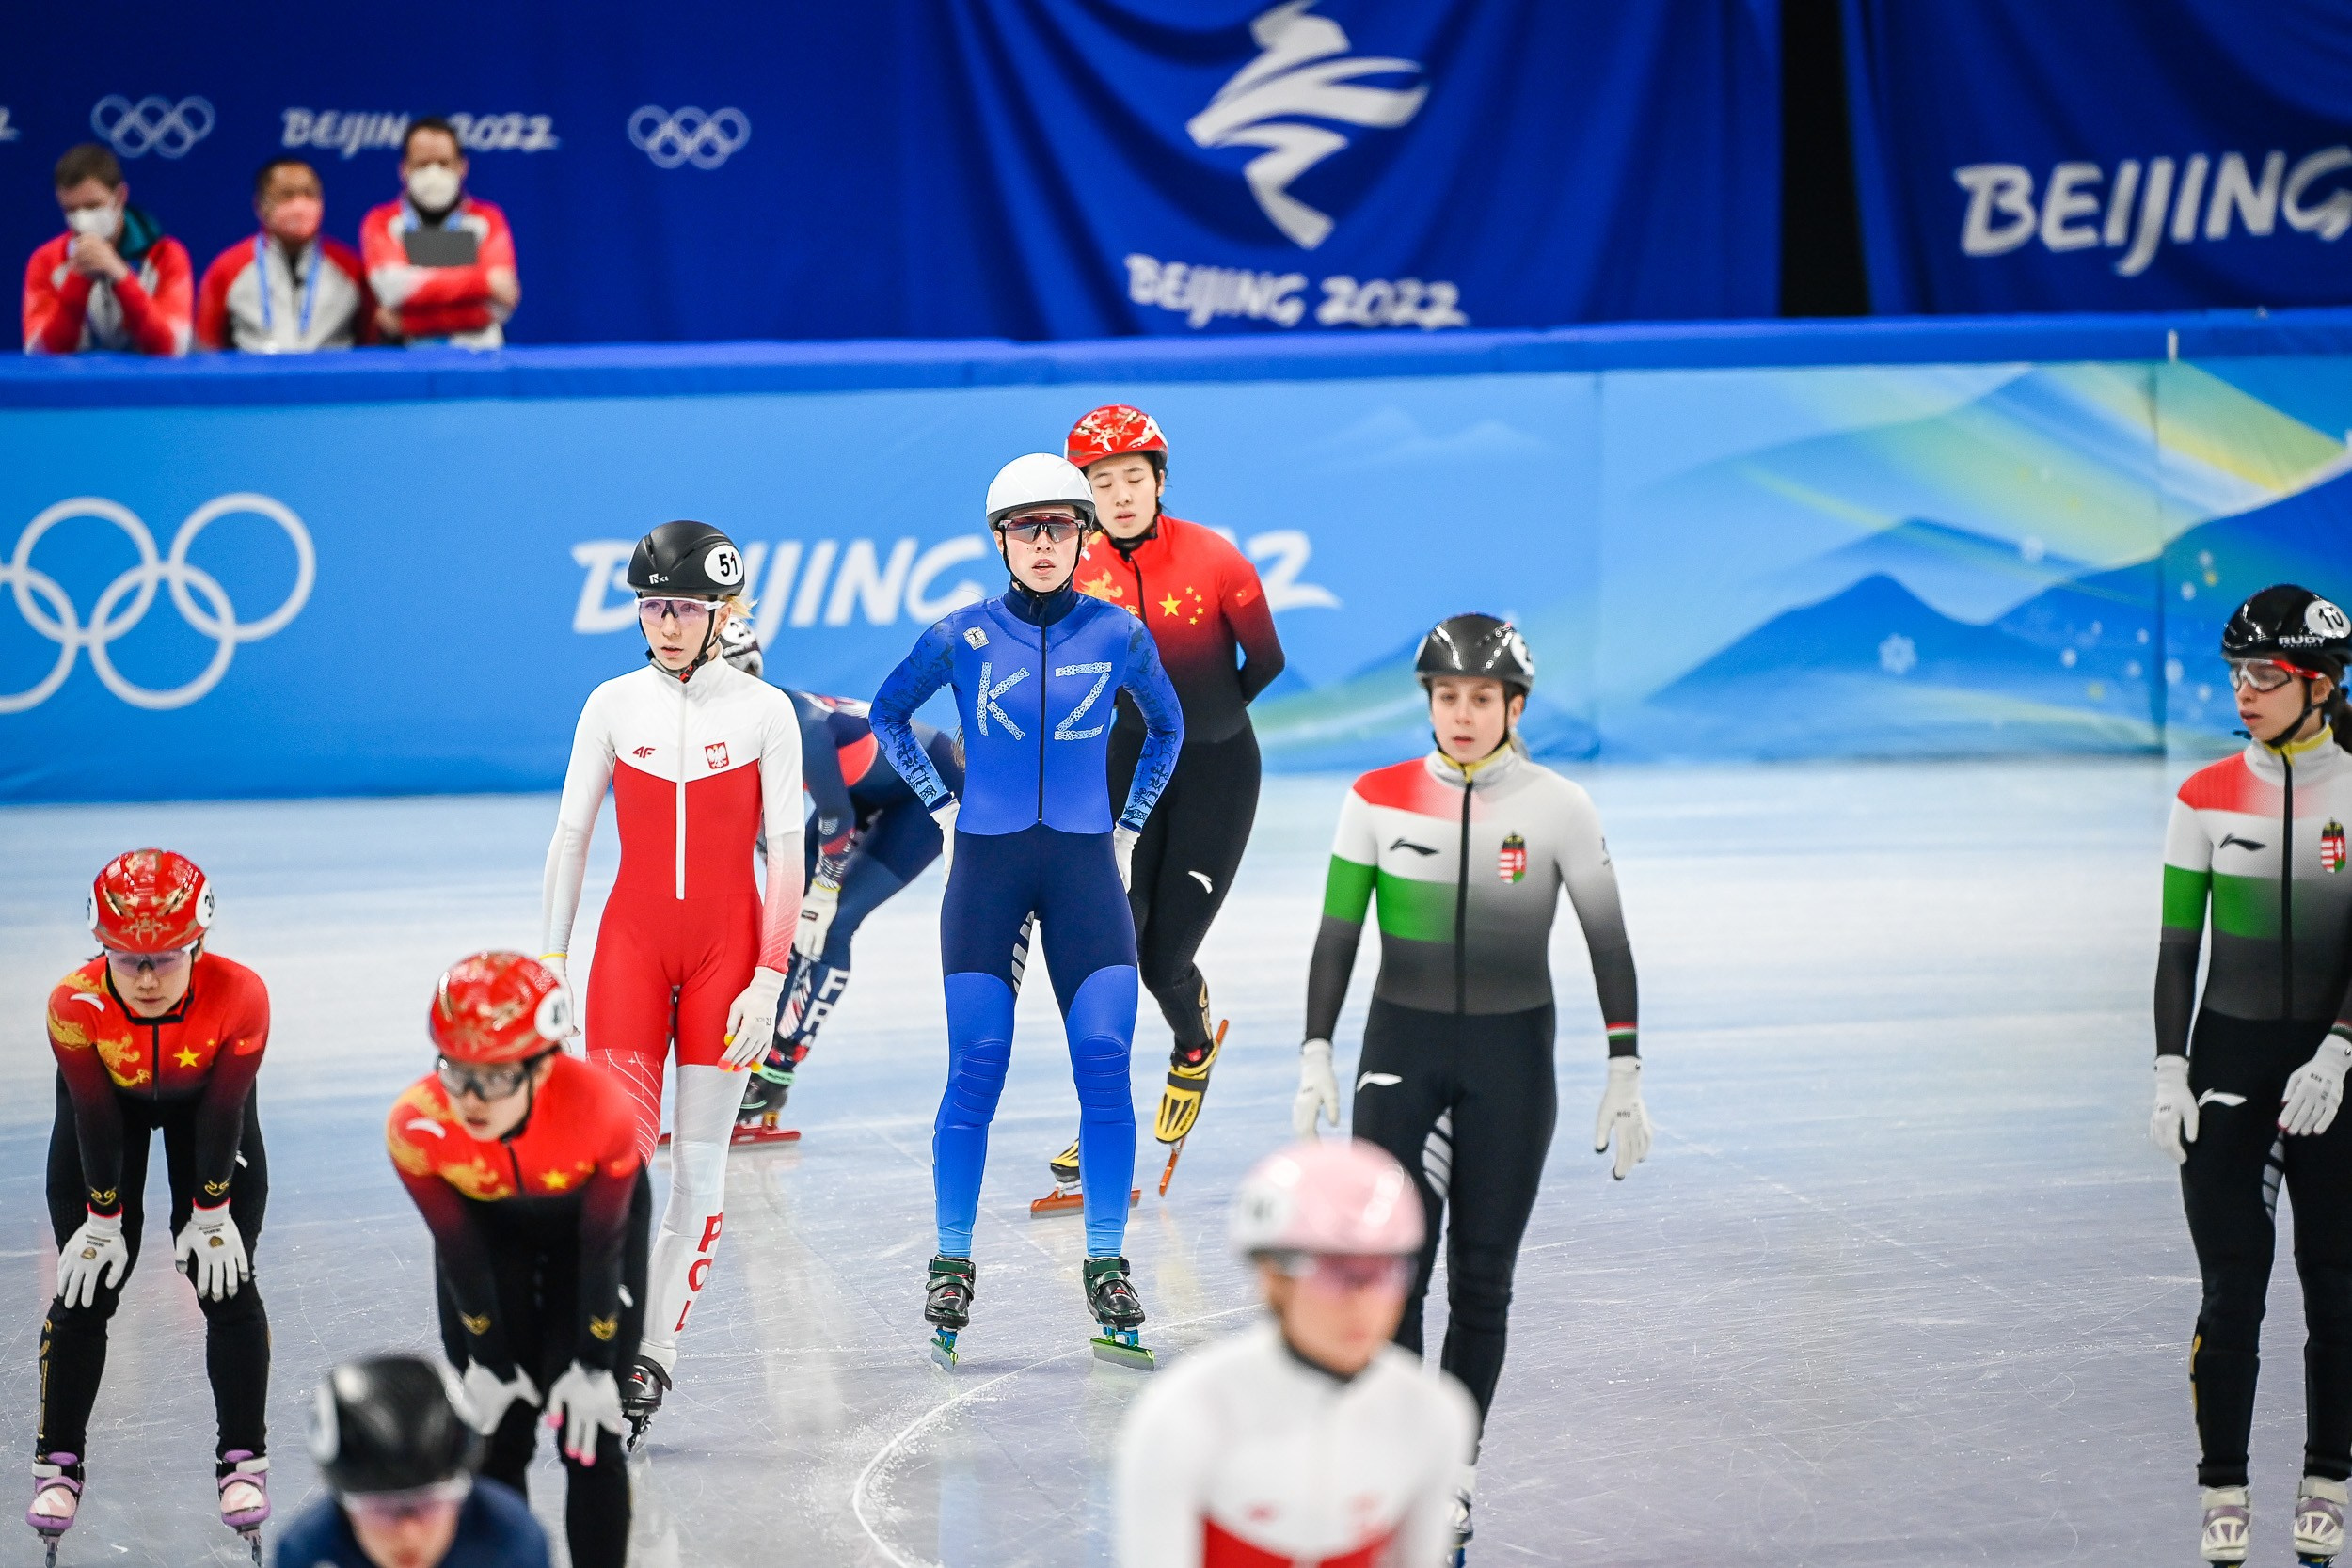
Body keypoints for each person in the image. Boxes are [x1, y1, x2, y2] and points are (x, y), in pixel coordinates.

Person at [1291, 613, 1648, 1554]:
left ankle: (1452, 1470)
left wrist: (1625, 1064)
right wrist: (1314, 1048)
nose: (1460, 712)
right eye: (1445, 695)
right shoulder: (1372, 797)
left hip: (1510, 1063)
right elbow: (1336, 934)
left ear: (1512, 705)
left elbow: (1605, 938)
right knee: (1393, 1276)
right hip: (1398, 1051)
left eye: (1480, 697)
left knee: (1481, 1279)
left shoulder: (1559, 806)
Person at [868, 452, 1183, 1368]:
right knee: (979, 1059)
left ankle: (1106, 1261)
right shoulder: (958, 635)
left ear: (1085, 536)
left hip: (1085, 869)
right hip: (987, 871)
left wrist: (1126, 823)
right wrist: (938, 805)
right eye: (1024, 528)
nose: (1043, 544)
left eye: (1060, 526)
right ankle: (952, 1257)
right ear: (1000, 539)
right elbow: (890, 715)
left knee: (1104, 1055)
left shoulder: (1120, 633)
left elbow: (1168, 726)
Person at [539, 520, 803, 1439]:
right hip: (630, 949)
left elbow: (787, 851)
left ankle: (654, 1355)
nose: (666, 623)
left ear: (721, 612)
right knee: (616, 1160)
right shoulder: (611, 702)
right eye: (652, 606)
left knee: (698, 1161)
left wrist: (769, 977)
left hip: (729, 952)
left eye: (684, 608)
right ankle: (600, 1338)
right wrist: (552, 959)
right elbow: (571, 836)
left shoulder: (768, 712)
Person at [2151, 583, 2352, 1565]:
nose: (2244, 689)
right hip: (2227, 1066)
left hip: (2337, 1071)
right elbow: (2175, 948)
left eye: (2264, 674)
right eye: (2234, 671)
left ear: (2317, 685)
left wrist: (2343, 1045)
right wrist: (2167, 1065)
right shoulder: (2199, 796)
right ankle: (2222, 1489)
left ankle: (2326, 1475)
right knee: (2232, 1288)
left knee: (2338, 1291)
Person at [1038, 404, 1286, 1197]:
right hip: (1123, 765)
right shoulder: (1074, 574)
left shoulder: (1216, 558)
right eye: (1100, 482)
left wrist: (1203, 725)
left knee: (1162, 958)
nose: (1118, 495)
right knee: (1109, 944)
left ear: (1158, 481)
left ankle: (1192, 1042)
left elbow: (1268, 660)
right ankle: (1100, 1110)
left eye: (1131, 479)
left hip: (1217, 771)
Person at [30, 850, 272, 1559]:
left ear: (198, 943)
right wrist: (103, 1219)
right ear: (99, 945)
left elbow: (226, 1107)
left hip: (210, 1112)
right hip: (105, 1115)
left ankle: (241, 1458)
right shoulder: (74, 1004)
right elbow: (96, 1118)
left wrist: (210, 1207)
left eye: (164, 957)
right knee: (86, 1283)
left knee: (226, 1279)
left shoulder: (243, 996)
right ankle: (58, 1463)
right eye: (124, 956)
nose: (142, 977)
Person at [385, 953, 648, 1568]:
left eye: (496, 1076)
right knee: (496, 1436)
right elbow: (461, 1252)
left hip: (590, 1245)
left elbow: (601, 1249)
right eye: (457, 1069)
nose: (472, 1098)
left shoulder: (603, 1110)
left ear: (544, 1064)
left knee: (593, 1438)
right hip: (487, 1245)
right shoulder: (415, 1125)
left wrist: (594, 1361)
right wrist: (491, 1358)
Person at [1114, 1139, 1475, 1568]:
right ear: (1271, 1278)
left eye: (1384, 1273)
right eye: (1336, 1275)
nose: (1364, 1305)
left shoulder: (1432, 1415)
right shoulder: (1185, 1416)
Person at [720, 660, 967, 1131]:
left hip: (927, 792)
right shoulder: (741, 719)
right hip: (866, 792)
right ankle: (759, 1050)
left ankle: (778, 1070)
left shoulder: (802, 726)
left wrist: (824, 893)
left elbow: (836, 818)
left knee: (835, 921)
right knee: (790, 919)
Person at [273, 1353, 549, 1568]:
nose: (409, 1534)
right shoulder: (306, 1551)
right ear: (344, 1505)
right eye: (383, 1509)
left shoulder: (513, 1539)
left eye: (429, 1503)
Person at [359, 118, 518, 348]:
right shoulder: (381, 221)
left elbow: (498, 306)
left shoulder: (488, 219)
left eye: (444, 163)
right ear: (404, 169)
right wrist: (482, 281)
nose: (434, 172)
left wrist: (408, 321)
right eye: (423, 164)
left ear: (462, 167)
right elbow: (393, 289)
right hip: (407, 360)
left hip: (478, 358)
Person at [23, 143, 191, 356]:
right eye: (71, 210)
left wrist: (120, 275)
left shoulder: (167, 256)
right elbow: (41, 355)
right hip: (73, 388)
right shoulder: (45, 261)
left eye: (93, 206)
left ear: (120, 196)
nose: (82, 219)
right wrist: (79, 276)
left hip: (147, 387)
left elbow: (171, 349)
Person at [197, 158, 374, 352]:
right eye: (286, 195)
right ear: (260, 205)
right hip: (255, 380)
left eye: (309, 194)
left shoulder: (351, 268)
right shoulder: (227, 269)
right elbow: (208, 349)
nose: (299, 205)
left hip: (332, 380)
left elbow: (369, 344)